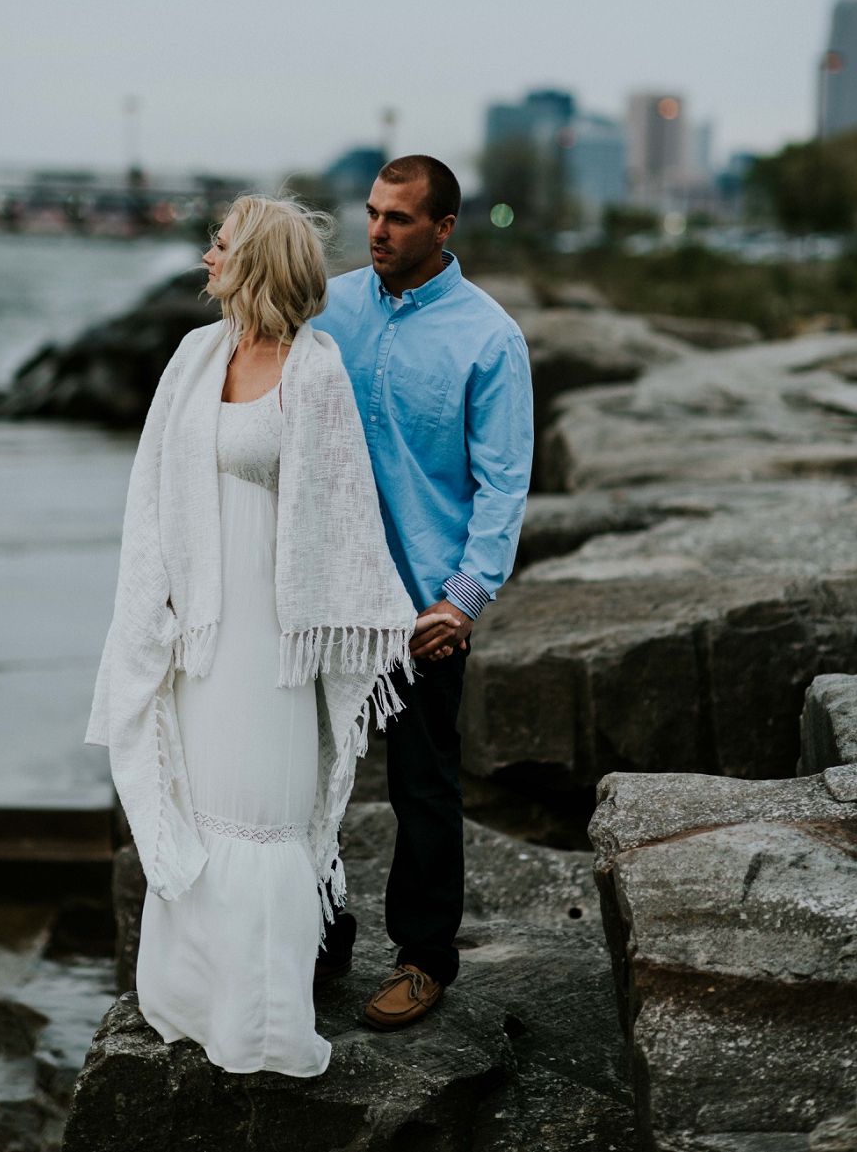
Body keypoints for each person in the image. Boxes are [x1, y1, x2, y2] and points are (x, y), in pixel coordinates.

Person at [85, 196, 455, 1076]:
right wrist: (155, 608)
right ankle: (189, 995)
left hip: (275, 630)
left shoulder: (314, 369)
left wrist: (386, 622)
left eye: (219, 244)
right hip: (198, 622)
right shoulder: (194, 354)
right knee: (199, 795)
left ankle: (260, 1018)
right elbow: (153, 487)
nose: (206, 256)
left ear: (252, 260)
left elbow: (342, 514)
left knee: (261, 809)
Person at [318, 154, 534, 1031]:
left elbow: (504, 483)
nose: (377, 229)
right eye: (372, 212)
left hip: (419, 614)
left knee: (422, 788)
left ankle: (422, 959)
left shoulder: (490, 337)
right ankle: (317, 936)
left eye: (399, 218)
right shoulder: (327, 306)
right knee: (303, 782)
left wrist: (463, 598)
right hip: (324, 599)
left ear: (443, 228)